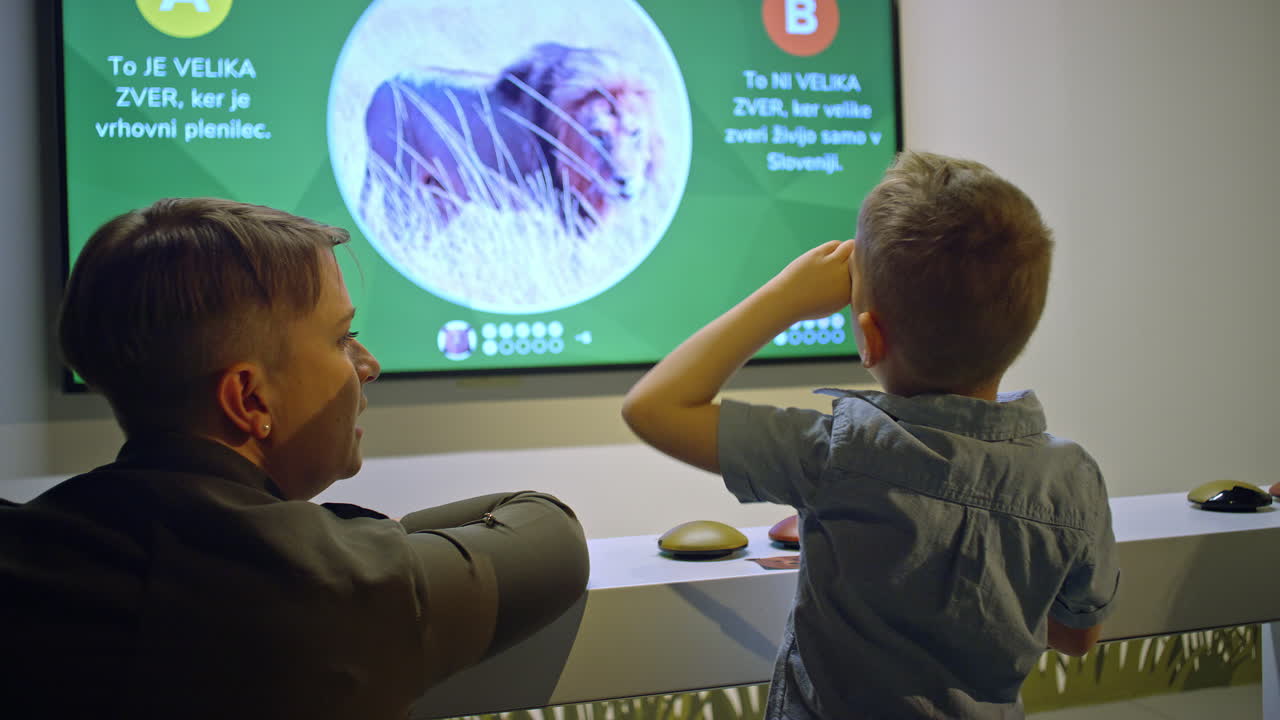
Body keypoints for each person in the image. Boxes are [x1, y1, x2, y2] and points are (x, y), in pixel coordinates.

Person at [0, 198, 590, 720]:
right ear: (249, 398)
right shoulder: (319, 584)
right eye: (341, 338)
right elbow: (550, 536)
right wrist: (370, 542)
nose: (368, 364)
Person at [622, 151, 1119, 719]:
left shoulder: (839, 454)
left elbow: (653, 406)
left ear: (869, 339)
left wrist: (786, 296)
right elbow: (1077, 637)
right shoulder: (1072, 480)